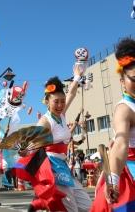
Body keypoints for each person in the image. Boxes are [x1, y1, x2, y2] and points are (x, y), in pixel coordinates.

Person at [25, 65, 92, 212]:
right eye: (56, 102)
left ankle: (41, 202)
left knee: (87, 206)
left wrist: (76, 76)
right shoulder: (45, 121)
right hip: (53, 167)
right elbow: (33, 144)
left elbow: (72, 93)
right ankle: (42, 200)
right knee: (70, 209)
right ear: (47, 102)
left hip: (64, 166)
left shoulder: (61, 115)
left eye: (62, 101)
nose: (61, 105)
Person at [91, 38, 135, 211]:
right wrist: (113, 180)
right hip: (129, 173)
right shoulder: (124, 109)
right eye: (134, 79)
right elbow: (121, 143)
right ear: (122, 81)